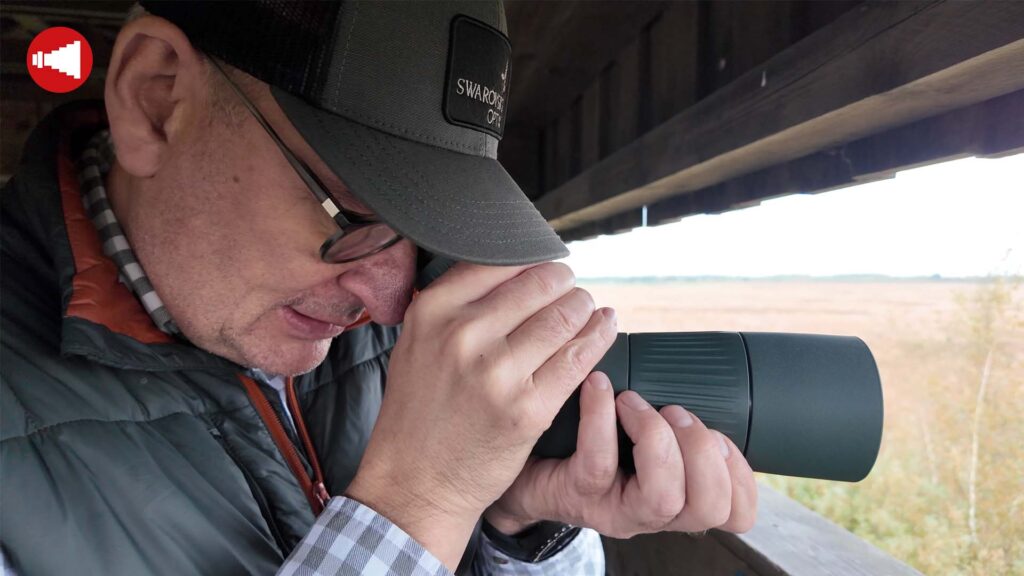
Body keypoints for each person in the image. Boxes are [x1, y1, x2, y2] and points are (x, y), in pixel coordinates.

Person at [0, 1, 757, 574]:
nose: (393, 302)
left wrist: (515, 523)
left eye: (427, 232)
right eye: (356, 215)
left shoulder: (389, 321)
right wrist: (418, 502)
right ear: (157, 100)